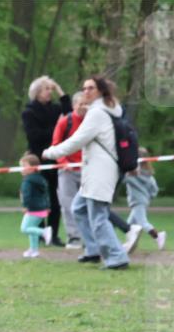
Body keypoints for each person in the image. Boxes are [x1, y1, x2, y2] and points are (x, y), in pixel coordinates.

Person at [42, 76, 129, 270]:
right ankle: (93, 249)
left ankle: (117, 257)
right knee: (79, 208)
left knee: (98, 217)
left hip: (100, 172)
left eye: (91, 88)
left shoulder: (97, 113)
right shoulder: (104, 110)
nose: (86, 91)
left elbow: (77, 141)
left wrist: (50, 152)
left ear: (100, 91)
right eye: (84, 88)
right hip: (94, 172)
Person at [22, 76, 71, 246]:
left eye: (51, 89)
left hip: (55, 158)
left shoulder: (55, 109)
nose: (49, 92)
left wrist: (59, 89)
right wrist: (56, 128)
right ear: (37, 92)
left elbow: (69, 113)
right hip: (38, 159)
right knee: (38, 198)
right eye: (46, 89)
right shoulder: (29, 112)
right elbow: (34, 136)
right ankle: (40, 233)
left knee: (55, 199)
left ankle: (54, 234)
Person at [51, 91, 86, 249]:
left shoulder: (92, 121)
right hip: (67, 170)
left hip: (87, 168)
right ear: (74, 105)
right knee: (68, 204)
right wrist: (64, 162)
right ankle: (74, 237)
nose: (83, 107)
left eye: (86, 104)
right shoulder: (65, 122)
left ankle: (90, 237)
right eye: (80, 104)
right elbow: (56, 145)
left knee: (89, 204)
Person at [122, 148, 165, 254]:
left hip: (137, 201)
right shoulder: (149, 175)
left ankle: (158, 236)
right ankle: (130, 244)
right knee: (130, 224)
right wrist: (148, 197)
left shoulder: (130, 174)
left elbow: (122, 179)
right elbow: (154, 189)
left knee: (142, 222)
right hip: (144, 201)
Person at [18, 154, 53, 258]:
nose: (21, 168)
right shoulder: (40, 179)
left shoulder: (28, 181)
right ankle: (34, 250)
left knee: (25, 229)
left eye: (24, 165)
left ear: (33, 167)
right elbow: (46, 194)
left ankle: (44, 232)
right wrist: (48, 206)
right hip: (42, 210)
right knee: (32, 229)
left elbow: (26, 195)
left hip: (33, 209)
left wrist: (25, 206)